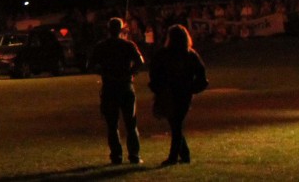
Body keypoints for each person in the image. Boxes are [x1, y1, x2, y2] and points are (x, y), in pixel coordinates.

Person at [86, 17, 145, 165]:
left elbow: (90, 65)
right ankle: (134, 155)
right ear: (121, 29)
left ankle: (116, 156)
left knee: (112, 125)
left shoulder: (101, 46)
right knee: (130, 123)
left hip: (110, 87)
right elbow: (140, 62)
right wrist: (130, 71)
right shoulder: (128, 45)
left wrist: (102, 71)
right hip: (125, 86)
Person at [149, 24, 208, 166]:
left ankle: (174, 157)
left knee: (175, 125)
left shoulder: (163, 54)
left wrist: (158, 89)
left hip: (169, 93)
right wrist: (191, 89)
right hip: (183, 94)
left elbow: (154, 74)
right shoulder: (190, 55)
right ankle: (184, 155)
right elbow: (202, 77)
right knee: (176, 124)